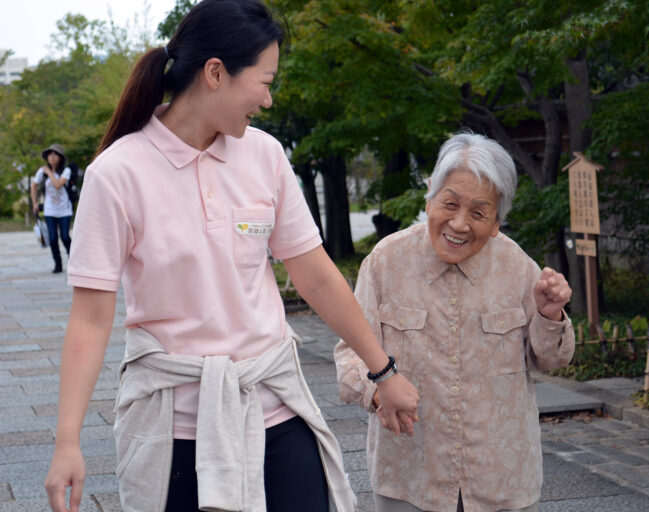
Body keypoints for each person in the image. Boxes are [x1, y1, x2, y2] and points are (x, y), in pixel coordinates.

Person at [43, 1, 419, 511]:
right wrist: (67, 442)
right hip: (174, 426)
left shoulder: (264, 155)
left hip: (276, 408)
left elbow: (315, 276)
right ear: (216, 73)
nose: (268, 100)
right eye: (264, 82)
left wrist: (383, 372)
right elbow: (90, 319)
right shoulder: (116, 174)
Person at [334, 132, 576, 512]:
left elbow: (550, 359)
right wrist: (379, 392)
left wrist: (550, 315)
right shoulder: (385, 262)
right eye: (450, 203)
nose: (459, 224)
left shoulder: (518, 268)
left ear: (496, 221)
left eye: (478, 213)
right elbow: (349, 354)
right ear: (429, 195)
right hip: (410, 478)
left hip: (502, 481)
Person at [31, 144, 73, 273]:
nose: (52, 157)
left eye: (55, 154)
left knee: (65, 237)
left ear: (60, 157)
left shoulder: (66, 171)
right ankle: (58, 264)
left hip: (64, 210)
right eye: (50, 154)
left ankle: (74, 261)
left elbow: (58, 185)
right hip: (49, 210)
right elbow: (34, 186)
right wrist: (35, 203)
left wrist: (49, 172)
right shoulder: (42, 171)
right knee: (53, 238)